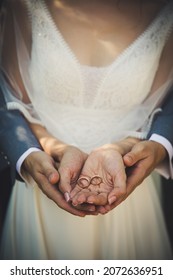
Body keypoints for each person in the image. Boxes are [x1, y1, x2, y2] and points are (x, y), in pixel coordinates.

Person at [0, 0, 173, 260]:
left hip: (124, 184)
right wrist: (53, 150)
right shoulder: (27, 5)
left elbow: (156, 109)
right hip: (45, 181)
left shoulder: (165, 12)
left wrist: (122, 150)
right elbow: (14, 102)